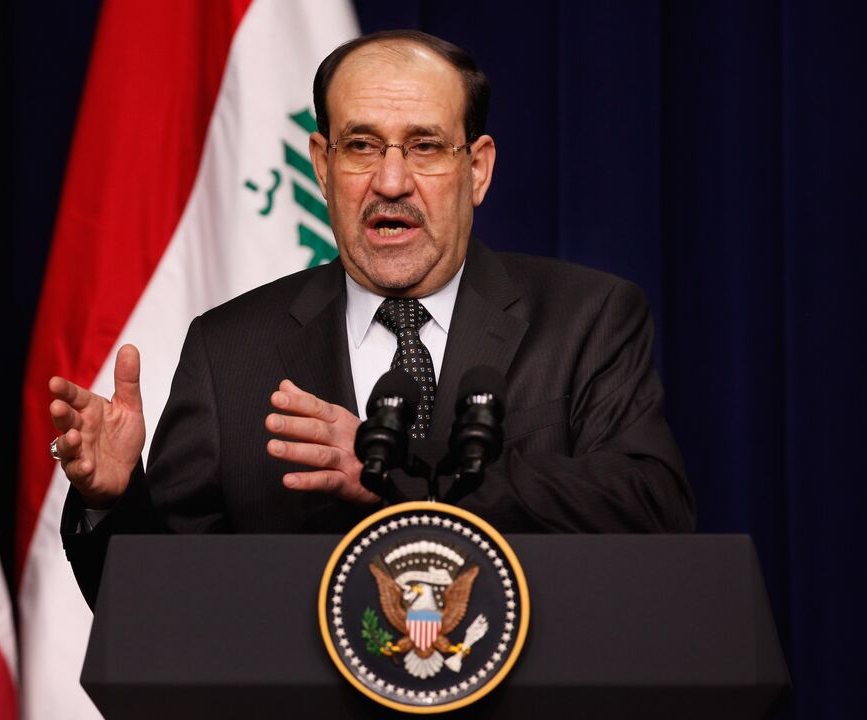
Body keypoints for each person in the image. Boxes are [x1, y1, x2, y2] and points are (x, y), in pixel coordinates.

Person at [46, 30, 695, 606]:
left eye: (425, 147)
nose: (390, 180)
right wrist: (113, 502)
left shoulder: (585, 319)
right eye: (361, 146)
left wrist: (408, 481)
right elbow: (166, 607)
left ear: (477, 170)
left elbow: (651, 506)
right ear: (323, 168)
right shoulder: (229, 350)